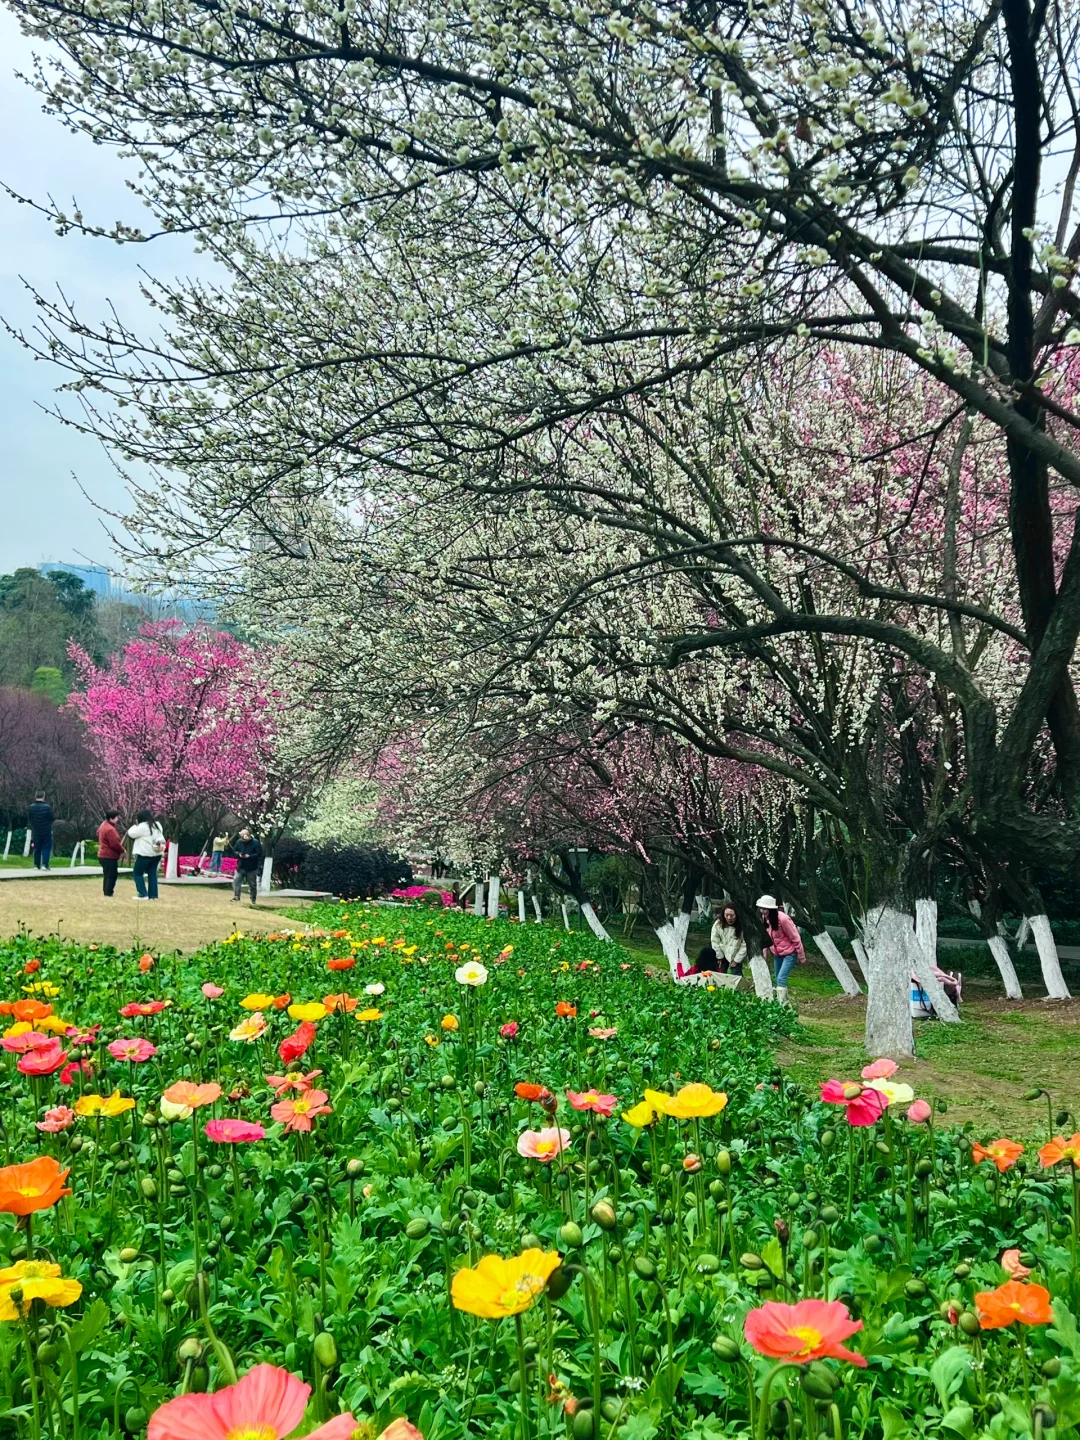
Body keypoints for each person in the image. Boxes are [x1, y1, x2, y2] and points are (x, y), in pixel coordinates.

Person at [757, 894, 805, 1005]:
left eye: (765, 909)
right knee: (777, 979)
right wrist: (765, 952)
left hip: (789, 953)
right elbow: (766, 936)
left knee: (781, 979)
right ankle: (783, 1003)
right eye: (761, 908)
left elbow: (796, 938)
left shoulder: (783, 919)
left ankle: (782, 1005)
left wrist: (801, 956)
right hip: (777, 954)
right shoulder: (765, 918)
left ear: (771, 909)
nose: (762, 911)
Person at [127, 809, 166, 900]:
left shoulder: (142, 827)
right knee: (152, 874)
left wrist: (135, 825)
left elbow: (131, 833)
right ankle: (153, 895)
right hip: (157, 854)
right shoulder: (157, 825)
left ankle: (142, 893)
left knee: (137, 873)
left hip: (145, 854)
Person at [230, 827, 263, 905]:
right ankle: (236, 896)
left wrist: (250, 856)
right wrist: (239, 854)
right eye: (241, 837)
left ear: (248, 835)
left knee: (252, 885)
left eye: (244, 837)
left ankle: (253, 899)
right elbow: (234, 851)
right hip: (240, 866)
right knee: (236, 881)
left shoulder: (255, 843)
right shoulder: (239, 842)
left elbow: (259, 853)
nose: (242, 839)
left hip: (251, 867)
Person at [712, 904, 747, 974]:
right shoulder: (718, 924)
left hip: (736, 954)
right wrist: (719, 956)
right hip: (722, 953)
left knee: (736, 976)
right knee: (720, 975)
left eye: (732, 915)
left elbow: (745, 945)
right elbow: (714, 940)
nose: (729, 918)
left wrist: (736, 960)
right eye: (726, 915)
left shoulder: (743, 925)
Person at [96, 810, 124, 897]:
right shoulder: (110, 829)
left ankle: (106, 891)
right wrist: (123, 850)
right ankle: (108, 892)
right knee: (112, 875)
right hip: (109, 856)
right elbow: (114, 844)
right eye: (116, 817)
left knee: (107, 875)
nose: (117, 819)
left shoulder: (103, 825)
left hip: (102, 854)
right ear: (111, 818)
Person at [28, 792, 54, 871]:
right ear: (43, 797)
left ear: (35, 796)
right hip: (46, 830)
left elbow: (30, 819)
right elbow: (52, 818)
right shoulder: (47, 807)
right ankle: (45, 865)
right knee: (46, 848)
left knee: (37, 848)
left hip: (36, 830)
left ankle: (36, 865)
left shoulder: (31, 807)